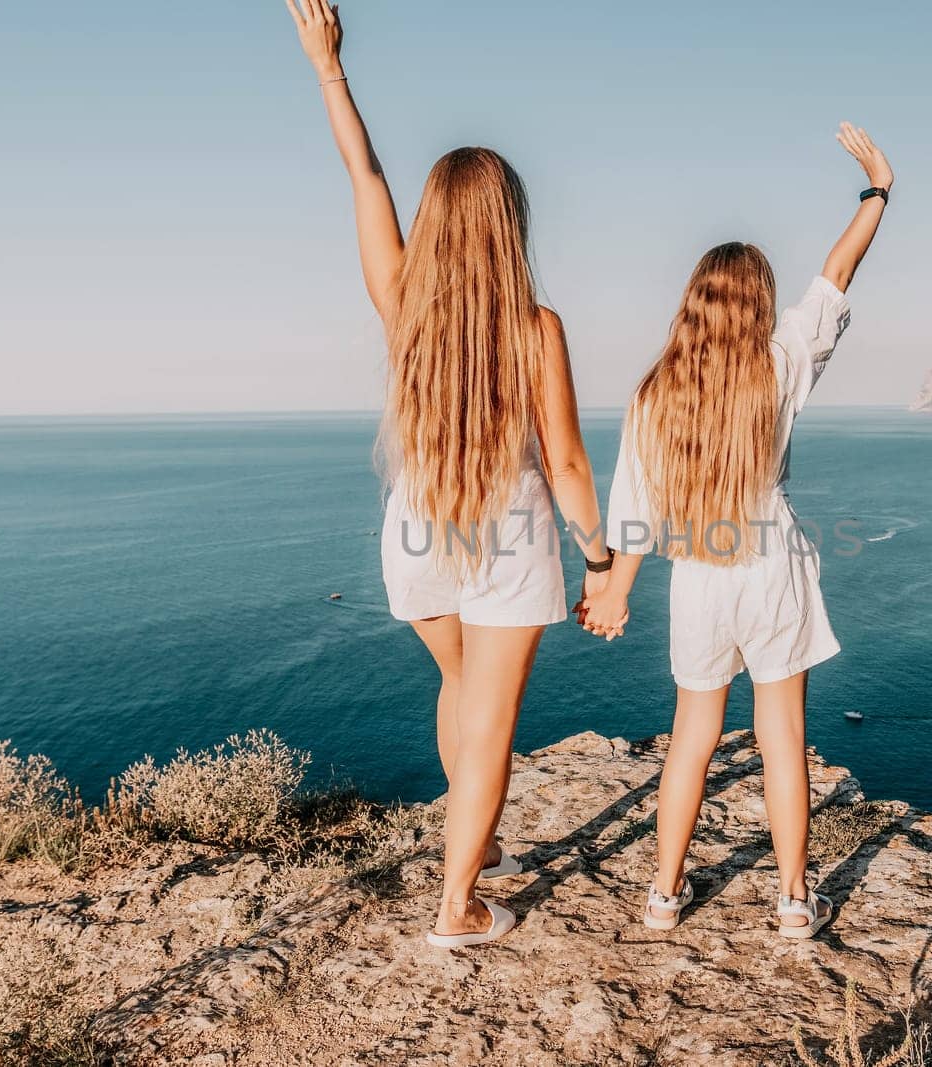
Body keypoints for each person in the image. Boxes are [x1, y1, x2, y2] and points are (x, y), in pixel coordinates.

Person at [284, 0, 613, 948]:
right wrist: (600, 553)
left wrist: (328, 68)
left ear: (435, 221)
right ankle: (458, 904)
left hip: (416, 527)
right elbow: (568, 460)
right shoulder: (536, 326)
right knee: (493, 722)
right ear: (509, 224)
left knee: (460, 689)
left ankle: (484, 840)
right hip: (508, 533)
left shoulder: (404, 306)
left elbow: (365, 174)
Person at [580, 125, 893, 937]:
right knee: (782, 735)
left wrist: (614, 589)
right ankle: (793, 901)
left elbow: (634, 515)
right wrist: (877, 190)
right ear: (758, 302)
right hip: (772, 564)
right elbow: (837, 273)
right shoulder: (781, 362)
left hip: (703, 572)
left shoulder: (654, 395)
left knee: (692, 737)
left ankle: (663, 894)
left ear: (692, 301)